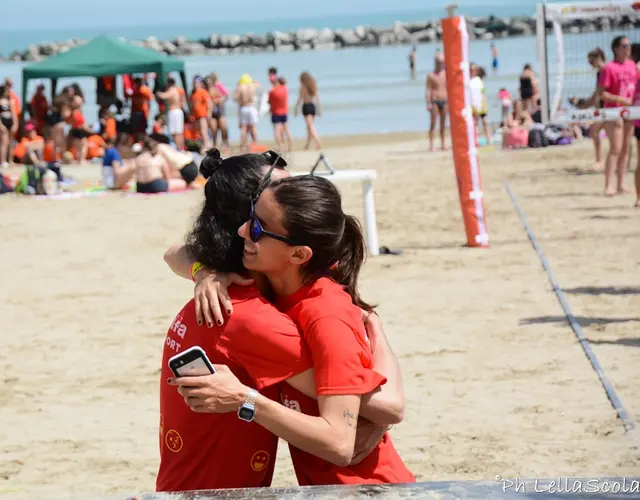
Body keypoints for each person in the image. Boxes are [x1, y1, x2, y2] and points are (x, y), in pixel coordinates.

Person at [160, 150, 409, 489]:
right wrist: (202, 271)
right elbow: (175, 252)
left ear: (298, 252)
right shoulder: (257, 294)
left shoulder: (295, 306)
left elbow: (378, 410)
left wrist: (244, 399)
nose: (295, 191)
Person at [597, 35, 636, 196]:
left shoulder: (632, 65)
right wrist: (620, 99)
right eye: (625, 45)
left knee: (626, 149)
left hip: (631, 111)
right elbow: (601, 93)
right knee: (615, 148)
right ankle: (608, 185)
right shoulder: (609, 68)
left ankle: (621, 184)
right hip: (614, 111)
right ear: (616, 49)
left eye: (629, 45)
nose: (628, 48)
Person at [569, 48, 607, 170]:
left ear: (597, 59)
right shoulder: (602, 71)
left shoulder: (604, 71)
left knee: (595, 131)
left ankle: (599, 160)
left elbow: (598, 94)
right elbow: (597, 94)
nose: (590, 65)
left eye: (591, 62)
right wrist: (583, 104)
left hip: (609, 109)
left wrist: (584, 105)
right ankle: (601, 160)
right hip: (605, 108)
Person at [295, 72, 322, 150]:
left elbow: (300, 99)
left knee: (310, 126)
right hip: (312, 106)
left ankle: (318, 142)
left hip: (306, 107)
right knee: (309, 127)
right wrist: (319, 109)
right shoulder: (313, 86)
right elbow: (317, 98)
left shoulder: (303, 87)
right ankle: (308, 145)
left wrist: (296, 108)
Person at [426, 53, 448, 151]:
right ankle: (431, 145)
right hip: (435, 100)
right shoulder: (431, 75)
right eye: (439, 62)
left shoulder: (446, 74)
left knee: (443, 123)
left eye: (442, 62)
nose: (440, 64)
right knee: (433, 123)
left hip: (444, 100)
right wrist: (428, 103)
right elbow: (428, 90)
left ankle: (443, 144)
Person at [156, 77, 185, 151]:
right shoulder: (178, 89)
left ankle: (179, 149)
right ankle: (180, 148)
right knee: (178, 132)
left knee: (176, 133)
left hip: (174, 112)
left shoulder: (172, 90)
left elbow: (164, 96)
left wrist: (157, 92)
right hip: (177, 111)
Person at [234, 74, 259, 152]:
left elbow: (235, 98)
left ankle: (243, 145)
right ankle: (255, 143)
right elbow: (258, 84)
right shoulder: (253, 86)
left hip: (244, 107)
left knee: (243, 127)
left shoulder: (240, 87)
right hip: (252, 107)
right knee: (253, 127)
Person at [205, 73, 230, 152]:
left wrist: (219, 100)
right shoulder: (205, 92)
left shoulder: (216, 89)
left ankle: (224, 143)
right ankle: (215, 144)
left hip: (219, 112)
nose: (209, 85)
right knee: (213, 128)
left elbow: (224, 96)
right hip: (212, 113)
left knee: (223, 126)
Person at [269, 76, 292, 151]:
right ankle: (290, 145)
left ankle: (280, 146)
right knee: (287, 129)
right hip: (284, 111)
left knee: (277, 130)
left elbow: (269, 102)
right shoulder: (285, 89)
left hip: (276, 112)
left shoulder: (272, 91)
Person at [470, 64, 491, 145]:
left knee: (485, 122)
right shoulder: (471, 81)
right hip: (475, 104)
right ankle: (476, 140)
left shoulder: (479, 80)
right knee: (476, 123)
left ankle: (488, 139)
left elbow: (482, 92)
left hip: (482, 104)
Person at [190, 76, 212, 152]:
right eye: (195, 83)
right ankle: (205, 144)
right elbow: (192, 105)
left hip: (203, 115)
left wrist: (209, 113)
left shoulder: (203, 92)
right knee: (199, 132)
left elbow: (209, 102)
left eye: (197, 83)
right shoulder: (193, 93)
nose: (196, 84)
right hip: (196, 116)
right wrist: (191, 114)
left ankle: (206, 145)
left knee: (204, 131)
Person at [0, 84, 18, 168]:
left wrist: (15, 124)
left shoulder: (10, 101)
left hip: (10, 122)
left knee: (11, 142)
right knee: (4, 142)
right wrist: (1, 125)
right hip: (2, 122)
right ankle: (3, 160)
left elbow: (14, 113)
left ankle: (11, 160)